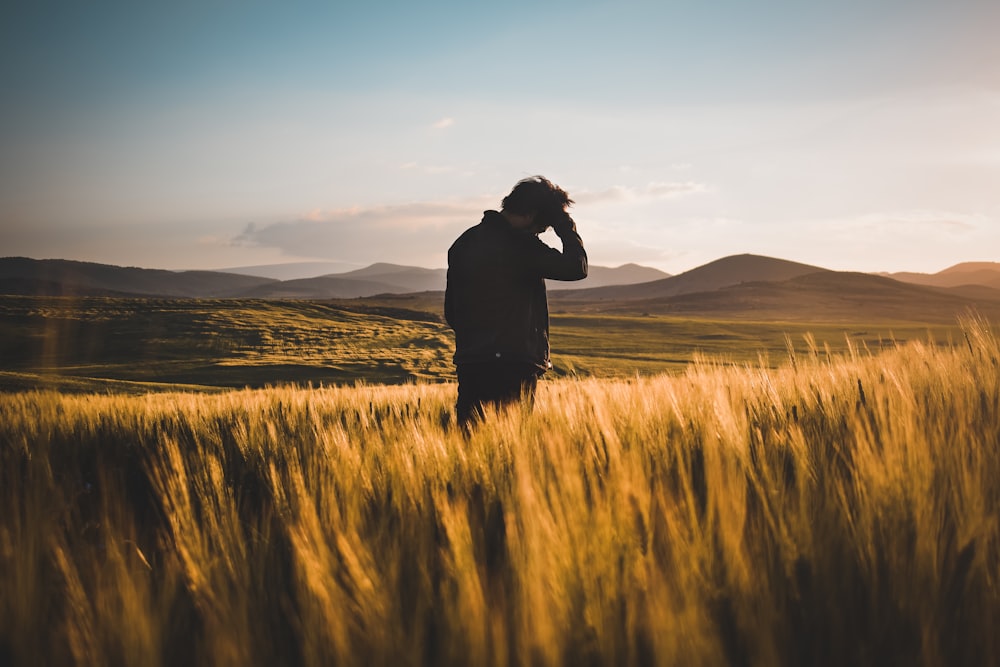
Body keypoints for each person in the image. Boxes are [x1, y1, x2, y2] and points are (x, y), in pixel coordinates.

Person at [445, 176, 588, 428]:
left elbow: (452, 312)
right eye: (542, 227)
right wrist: (565, 225)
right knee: (509, 451)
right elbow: (576, 267)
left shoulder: (463, 243)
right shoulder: (521, 246)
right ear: (532, 215)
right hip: (513, 364)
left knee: (469, 443)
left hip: (471, 363)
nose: (541, 233)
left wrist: (477, 341)